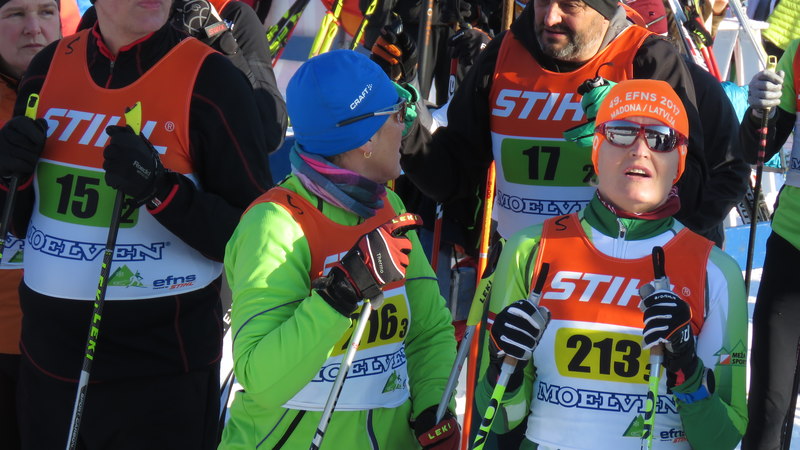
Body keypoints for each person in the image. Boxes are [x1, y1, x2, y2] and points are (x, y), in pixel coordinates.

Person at [0, 0, 279, 446]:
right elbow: (18, 222)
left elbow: (256, 237)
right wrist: (8, 174)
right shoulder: (46, 69)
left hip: (160, 379)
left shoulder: (212, 80)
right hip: (49, 366)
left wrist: (161, 192)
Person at [478, 79, 748, 448]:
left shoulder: (715, 272)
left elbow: (721, 439)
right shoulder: (530, 250)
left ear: (679, 160)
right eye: (621, 132)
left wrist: (687, 367)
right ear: (596, 149)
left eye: (661, 138)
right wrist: (502, 369)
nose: (640, 149)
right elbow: (500, 419)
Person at [218, 50, 459, 450]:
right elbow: (260, 378)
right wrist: (339, 296)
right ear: (364, 138)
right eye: (398, 113)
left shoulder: (388, 207)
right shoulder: (275, 224)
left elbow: (428, 332)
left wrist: (434, 407)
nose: (406, 126)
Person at [398, 0, 730, 254]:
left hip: (619, 276)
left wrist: (631, 126)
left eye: (569, 5)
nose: (549, 17)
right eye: (542, 2)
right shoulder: (503, 54)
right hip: (520, 268)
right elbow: (453, 177)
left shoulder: (647, 60)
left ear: (603, 10)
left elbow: (692, 194)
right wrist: (407, 119)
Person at [0, 0, 61, 446]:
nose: (34, 28)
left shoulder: (97, 93)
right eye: (15, 14)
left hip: (73, 342)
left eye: (45, 12)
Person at [739, 40, 800, 450]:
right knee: (767, 407)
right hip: (791, 245)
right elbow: (757, 150)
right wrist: (761, 111)